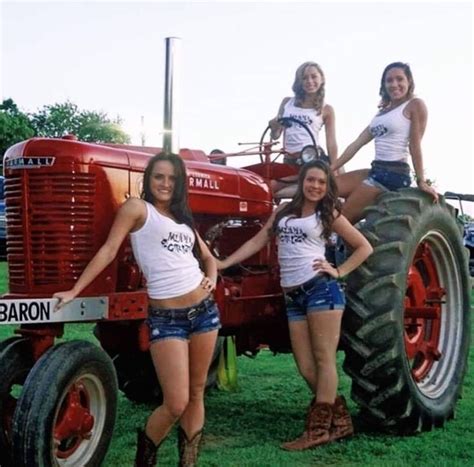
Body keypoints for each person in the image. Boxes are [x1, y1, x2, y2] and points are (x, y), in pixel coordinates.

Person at [53, 153, 220, 467]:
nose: (165, 184)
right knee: (175, 402)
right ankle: (145, 458)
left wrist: (210, 279)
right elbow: (109, 249)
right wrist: (76, 289)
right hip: (167, 319)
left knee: (197, 392)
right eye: (159, 176)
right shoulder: (137, 209)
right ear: (148, 179)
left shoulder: (183, 219)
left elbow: (209, 258)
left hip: (205, 312)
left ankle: (189, 462)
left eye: (172, 178)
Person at [216, 160, 373, 450]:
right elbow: (257, 241)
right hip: (294, 298)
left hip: (320, 291)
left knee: (324, 360)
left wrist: (339, 271)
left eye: (322, 182)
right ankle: (339, 421)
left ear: (327, 187)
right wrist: (224, 262)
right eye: (311, 180)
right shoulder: (283, 213)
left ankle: (317, 430)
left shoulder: (329, 214)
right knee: (304, 365)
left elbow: (364, 246)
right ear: (302, 181)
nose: (315, 186)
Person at [332, 61, 439, 224]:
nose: (394, 84)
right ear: (384, 85)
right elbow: (356, 144)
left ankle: (353, 247)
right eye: (389, 80)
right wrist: (331, 168)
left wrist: (421, 180)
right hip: (376, 169)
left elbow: (415, 144)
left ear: (409, 81)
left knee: (341, 218)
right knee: (325, 188)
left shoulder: (414, 105)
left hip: (394, 174)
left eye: (399, 79)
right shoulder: (382, 113)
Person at [268, 61, 338, 199]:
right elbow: (275, 135)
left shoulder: (326, 109)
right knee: (267, 187)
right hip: (289, 161)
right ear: (299, 81)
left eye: (313, 77)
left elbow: (331, 143)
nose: (309, 81)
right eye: (305, 78)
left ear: (321, 79)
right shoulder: (287, 102)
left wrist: (335, 167)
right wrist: (274, 125)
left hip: (310, 159)